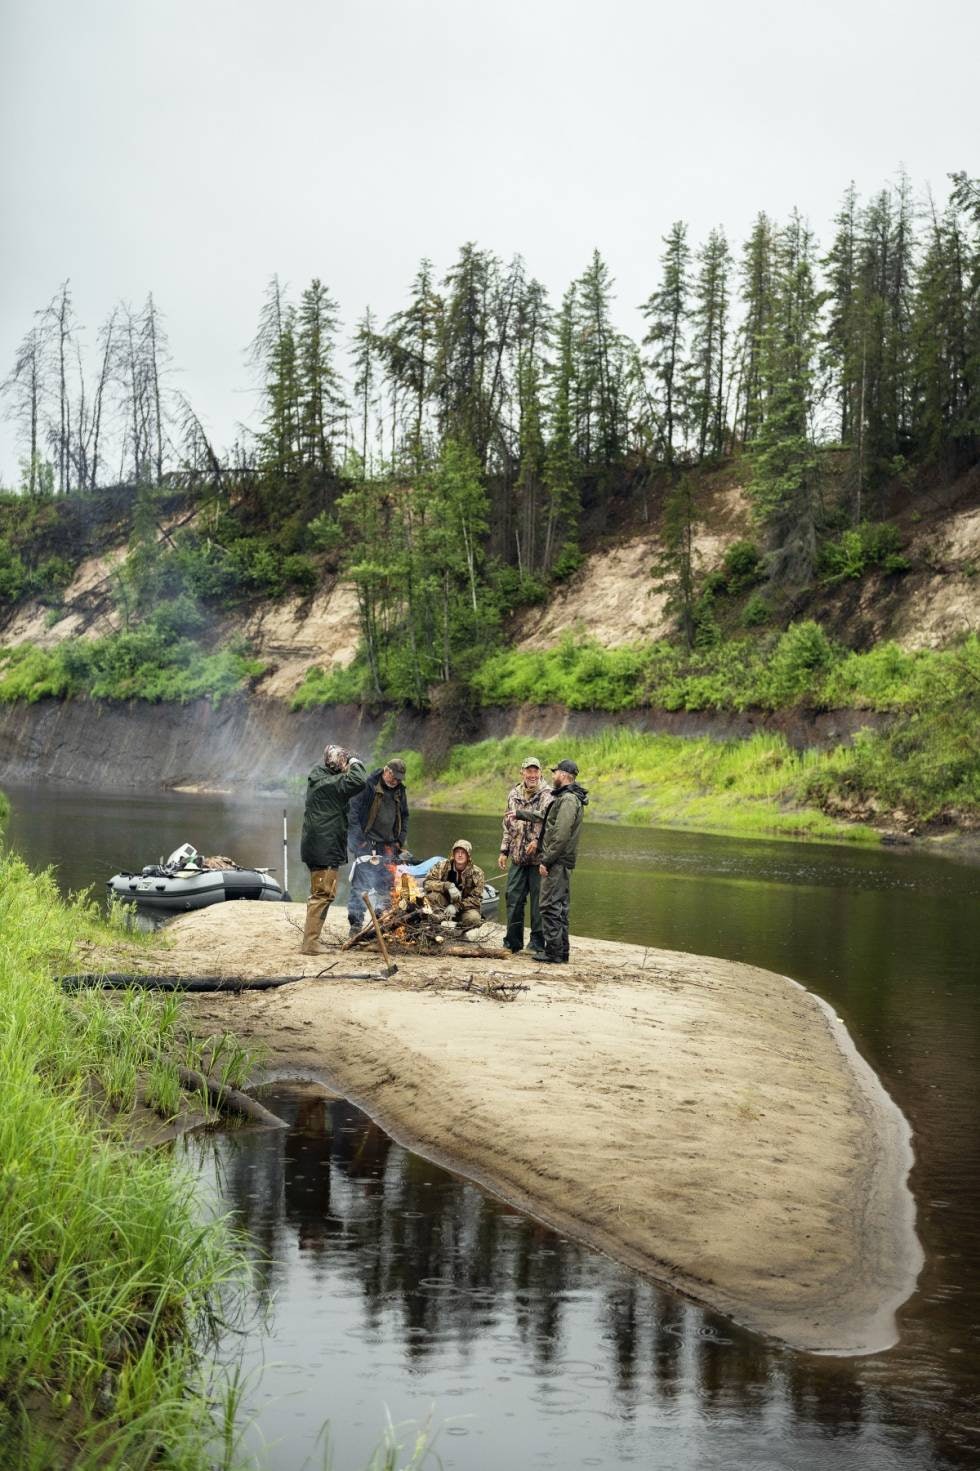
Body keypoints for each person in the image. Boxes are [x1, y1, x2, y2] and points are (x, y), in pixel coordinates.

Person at [299, 745, 367, 955]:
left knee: (321, 892)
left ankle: (312, 941)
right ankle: (311, 943)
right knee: (323, 893)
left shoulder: (319, 777)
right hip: (324, 847)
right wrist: (354, 761)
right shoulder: (332, 784)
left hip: (317, 845)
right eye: (344, 763)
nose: (347, 766)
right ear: (339, 765)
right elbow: (359, 780)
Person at [346, 758, 411, 935]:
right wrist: (358, 841)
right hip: (367, 845)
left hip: (389, 846)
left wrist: (400, 840)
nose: (396, 781)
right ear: (386, 770)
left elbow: (405, 816)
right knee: (360, 886)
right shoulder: (368, 786)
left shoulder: (400, 792)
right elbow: (352, 814)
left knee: (386, 887)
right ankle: (356, 924)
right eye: (394, 777)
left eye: (399, 779)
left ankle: (382, 924)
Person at [535, 758, 589, 964]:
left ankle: (553, 953)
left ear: (564, 775)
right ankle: (561, 952)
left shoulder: (568, 800)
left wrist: (546, 860)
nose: (553, 775)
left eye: (555, 772)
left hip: (557, 862)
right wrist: (520, 814)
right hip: (562, 861)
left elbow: (561, 834)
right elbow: (547, 818)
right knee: (560, 907)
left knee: (549, 906)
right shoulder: (568, 798)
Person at [498, 756, 553, 957]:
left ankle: (537, 943)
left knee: (539, 903)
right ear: (522, 772)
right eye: (529, 771)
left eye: (535, 771)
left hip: (538, 860)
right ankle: (512, 942)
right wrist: (504, 851)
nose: (532, 775)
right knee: (513, 897)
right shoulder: (513, 794)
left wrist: (537, 842)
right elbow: (507, 826)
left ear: (540, 772)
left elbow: (547, 822)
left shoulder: (547, 794)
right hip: (518, 858)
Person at [424, 839, 486, 931]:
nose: (460, 855)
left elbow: (477, 899)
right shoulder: (442, 866)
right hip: (444, 904)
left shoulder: (477, 873)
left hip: (465, 908)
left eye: (463, 852)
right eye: (457, 852)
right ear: (453, 854)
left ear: (468, 855)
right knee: (432, 896)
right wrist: (446, 885)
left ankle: (453, 924)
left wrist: (457, 906)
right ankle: (440, 918)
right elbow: (427, 883)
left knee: (474, 919)